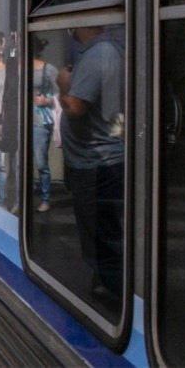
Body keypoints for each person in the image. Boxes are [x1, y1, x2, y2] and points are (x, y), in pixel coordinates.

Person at [56, 25, 126, 298]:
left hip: (97, 162)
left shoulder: (100, 54)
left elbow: (75, 106)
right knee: (103, 229)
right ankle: (106, 282)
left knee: (100, 234)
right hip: (98, 160)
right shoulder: (104, 52)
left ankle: (117, 294)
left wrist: (63, 85)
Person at [31, 38, 59, 212]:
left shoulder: (48, 70)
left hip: (40, 122)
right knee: (19, 162)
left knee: (41, 162)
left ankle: (45, 198)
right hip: (21, 120)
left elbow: (60, 95)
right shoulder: (18, 67)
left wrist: (47, 100)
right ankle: (19, 200)